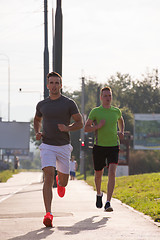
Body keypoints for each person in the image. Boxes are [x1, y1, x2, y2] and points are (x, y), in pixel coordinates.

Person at [34, 71, 83, 227]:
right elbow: (37, 119)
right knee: (47, 176)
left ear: (61, 85)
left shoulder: (68, 103)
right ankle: (48, 214)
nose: (54, 86)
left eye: (57, 83)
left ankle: (60, 182)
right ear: (47, 85)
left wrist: (67, 128)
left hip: (63, 146)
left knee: (64, 181)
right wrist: (37, 132)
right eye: (51, 83)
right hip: (47, 145)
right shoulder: (42, 105)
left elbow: (80, 122)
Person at [84, 86, 124, 212]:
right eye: (105, 96)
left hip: (113, 146)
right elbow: (86, 128)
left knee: (112, 172)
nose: (108, 98)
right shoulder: (95, 111)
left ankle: (108, 202)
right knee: (98, 175)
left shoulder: (116, 111)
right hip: (99, 146)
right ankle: (99, 194)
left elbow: (121, 120)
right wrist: (98, 126)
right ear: (101, 98)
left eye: (109, 96)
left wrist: (121, 131)